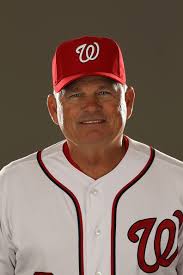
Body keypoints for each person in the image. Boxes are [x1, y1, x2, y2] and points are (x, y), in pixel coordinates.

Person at [0, 35, 183, 275]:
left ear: (128, 101)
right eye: (75, 94)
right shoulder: (11, 184)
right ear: (54, 109)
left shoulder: (177, 181)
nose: (91, 106)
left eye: (104, 92)